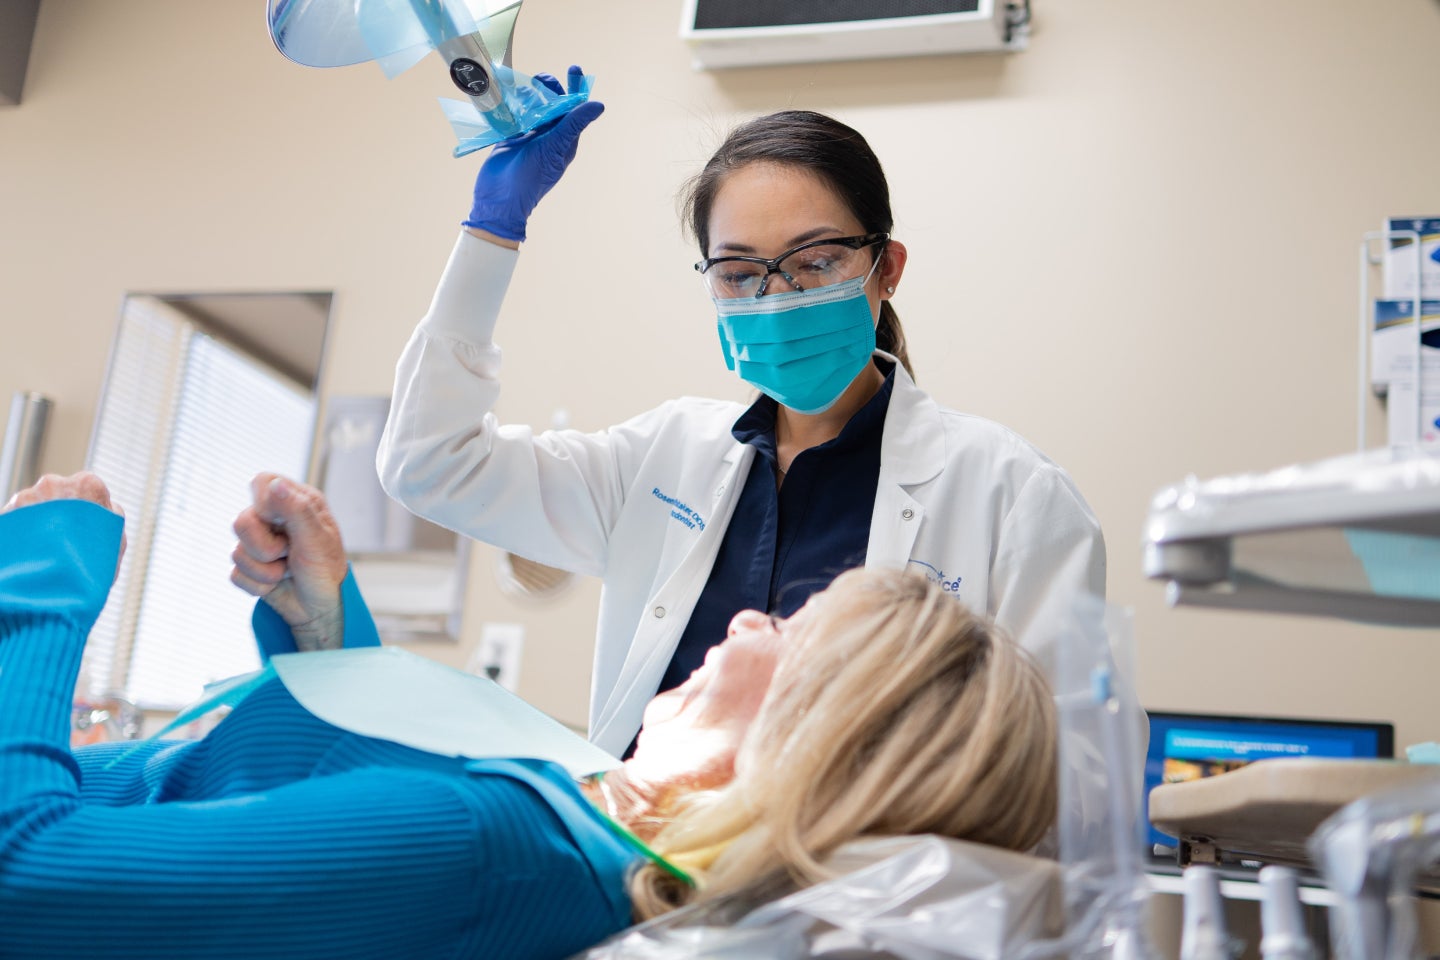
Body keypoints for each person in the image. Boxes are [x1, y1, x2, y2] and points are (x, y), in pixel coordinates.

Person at [0, 470, 1056, 960]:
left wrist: (42, 579)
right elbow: (349, 822)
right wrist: (320, 624)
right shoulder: (586, 806)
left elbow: (25, 875)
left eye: (792, 625)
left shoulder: (495, 851)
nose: (743, 621)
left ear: (830, 734)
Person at [376, 79, 1106, 758]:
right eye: (739, 272)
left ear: (887, 268)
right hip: (646, 881)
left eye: (815, 261)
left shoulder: (1009, 494)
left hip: (863, 894)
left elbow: (1077, 774)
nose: (777, 296)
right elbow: (431, 464)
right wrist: (493, 231)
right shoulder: (661, 459)